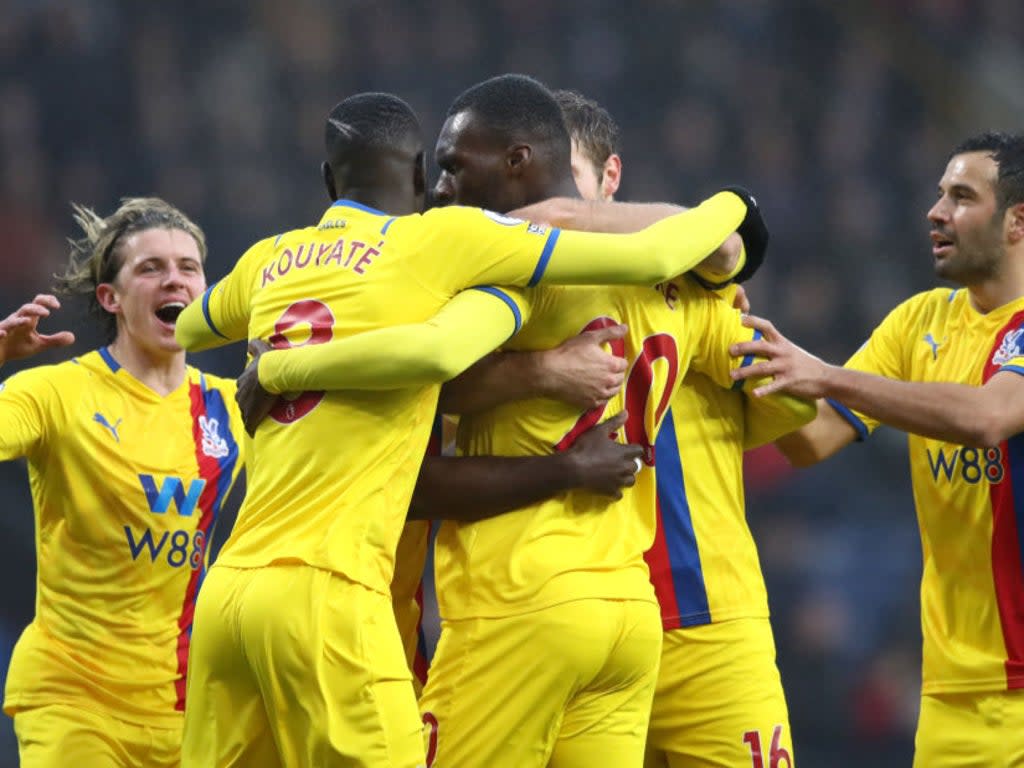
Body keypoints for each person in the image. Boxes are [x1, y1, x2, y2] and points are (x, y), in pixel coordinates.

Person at [174, 91, 759, 767]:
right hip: (621, 611)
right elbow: (674, 261)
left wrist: (275, 365)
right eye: (440, 171)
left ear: (330, 180)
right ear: (416, 176)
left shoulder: (272, 258)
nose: (448, 188)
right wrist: (736, 207)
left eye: (458, 168)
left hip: (308, 589)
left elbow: (189, 327)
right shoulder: (462, 251)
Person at [729, 131, 1024, 767]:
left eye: (962, 197)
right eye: (940, 193)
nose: (935, 211)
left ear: (1017, 222)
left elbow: (990, 417)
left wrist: (825, 373)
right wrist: (734, 347)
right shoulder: (919, 323)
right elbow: (812, 441)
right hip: (951, 698)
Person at [552, 87, 802, 768]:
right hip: (571, 625)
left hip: (706, 619)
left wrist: (722, 297)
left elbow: (795, 413)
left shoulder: (690, 284)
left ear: (610, 179)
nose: (552, 204)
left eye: (566, 178)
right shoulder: (506, 299)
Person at [0, 198, 245, 768]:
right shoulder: (55, 394)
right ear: (111, 298)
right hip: (73, 700)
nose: (173, 280)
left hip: (185, 708)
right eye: (150, 268)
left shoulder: (231, 407)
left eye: (188, 267)